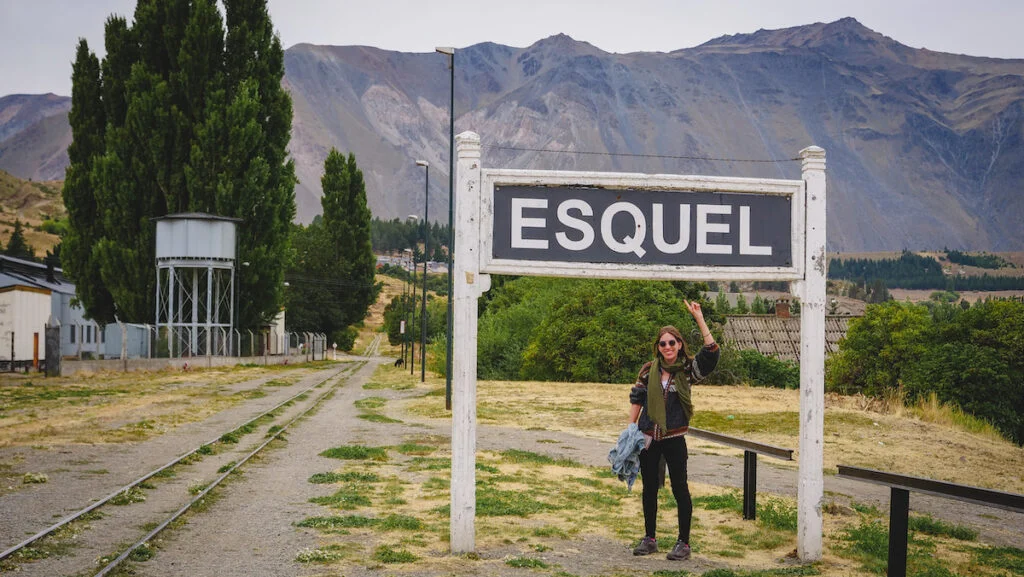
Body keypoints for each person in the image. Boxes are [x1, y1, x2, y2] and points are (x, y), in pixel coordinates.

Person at [628, 299, 719, 561]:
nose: (667, 347)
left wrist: (699, 318)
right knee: (649, 489)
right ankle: (650, 538)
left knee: (680, 488)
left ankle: (683, 543)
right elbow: (637, 397)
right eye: (662, 343)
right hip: (648, 437)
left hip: (675, 437)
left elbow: (711, 352)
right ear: (658, 347)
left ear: (679, 344)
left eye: (672, 342)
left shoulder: (688, 370)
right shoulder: (649, 370)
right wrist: (630, 430)